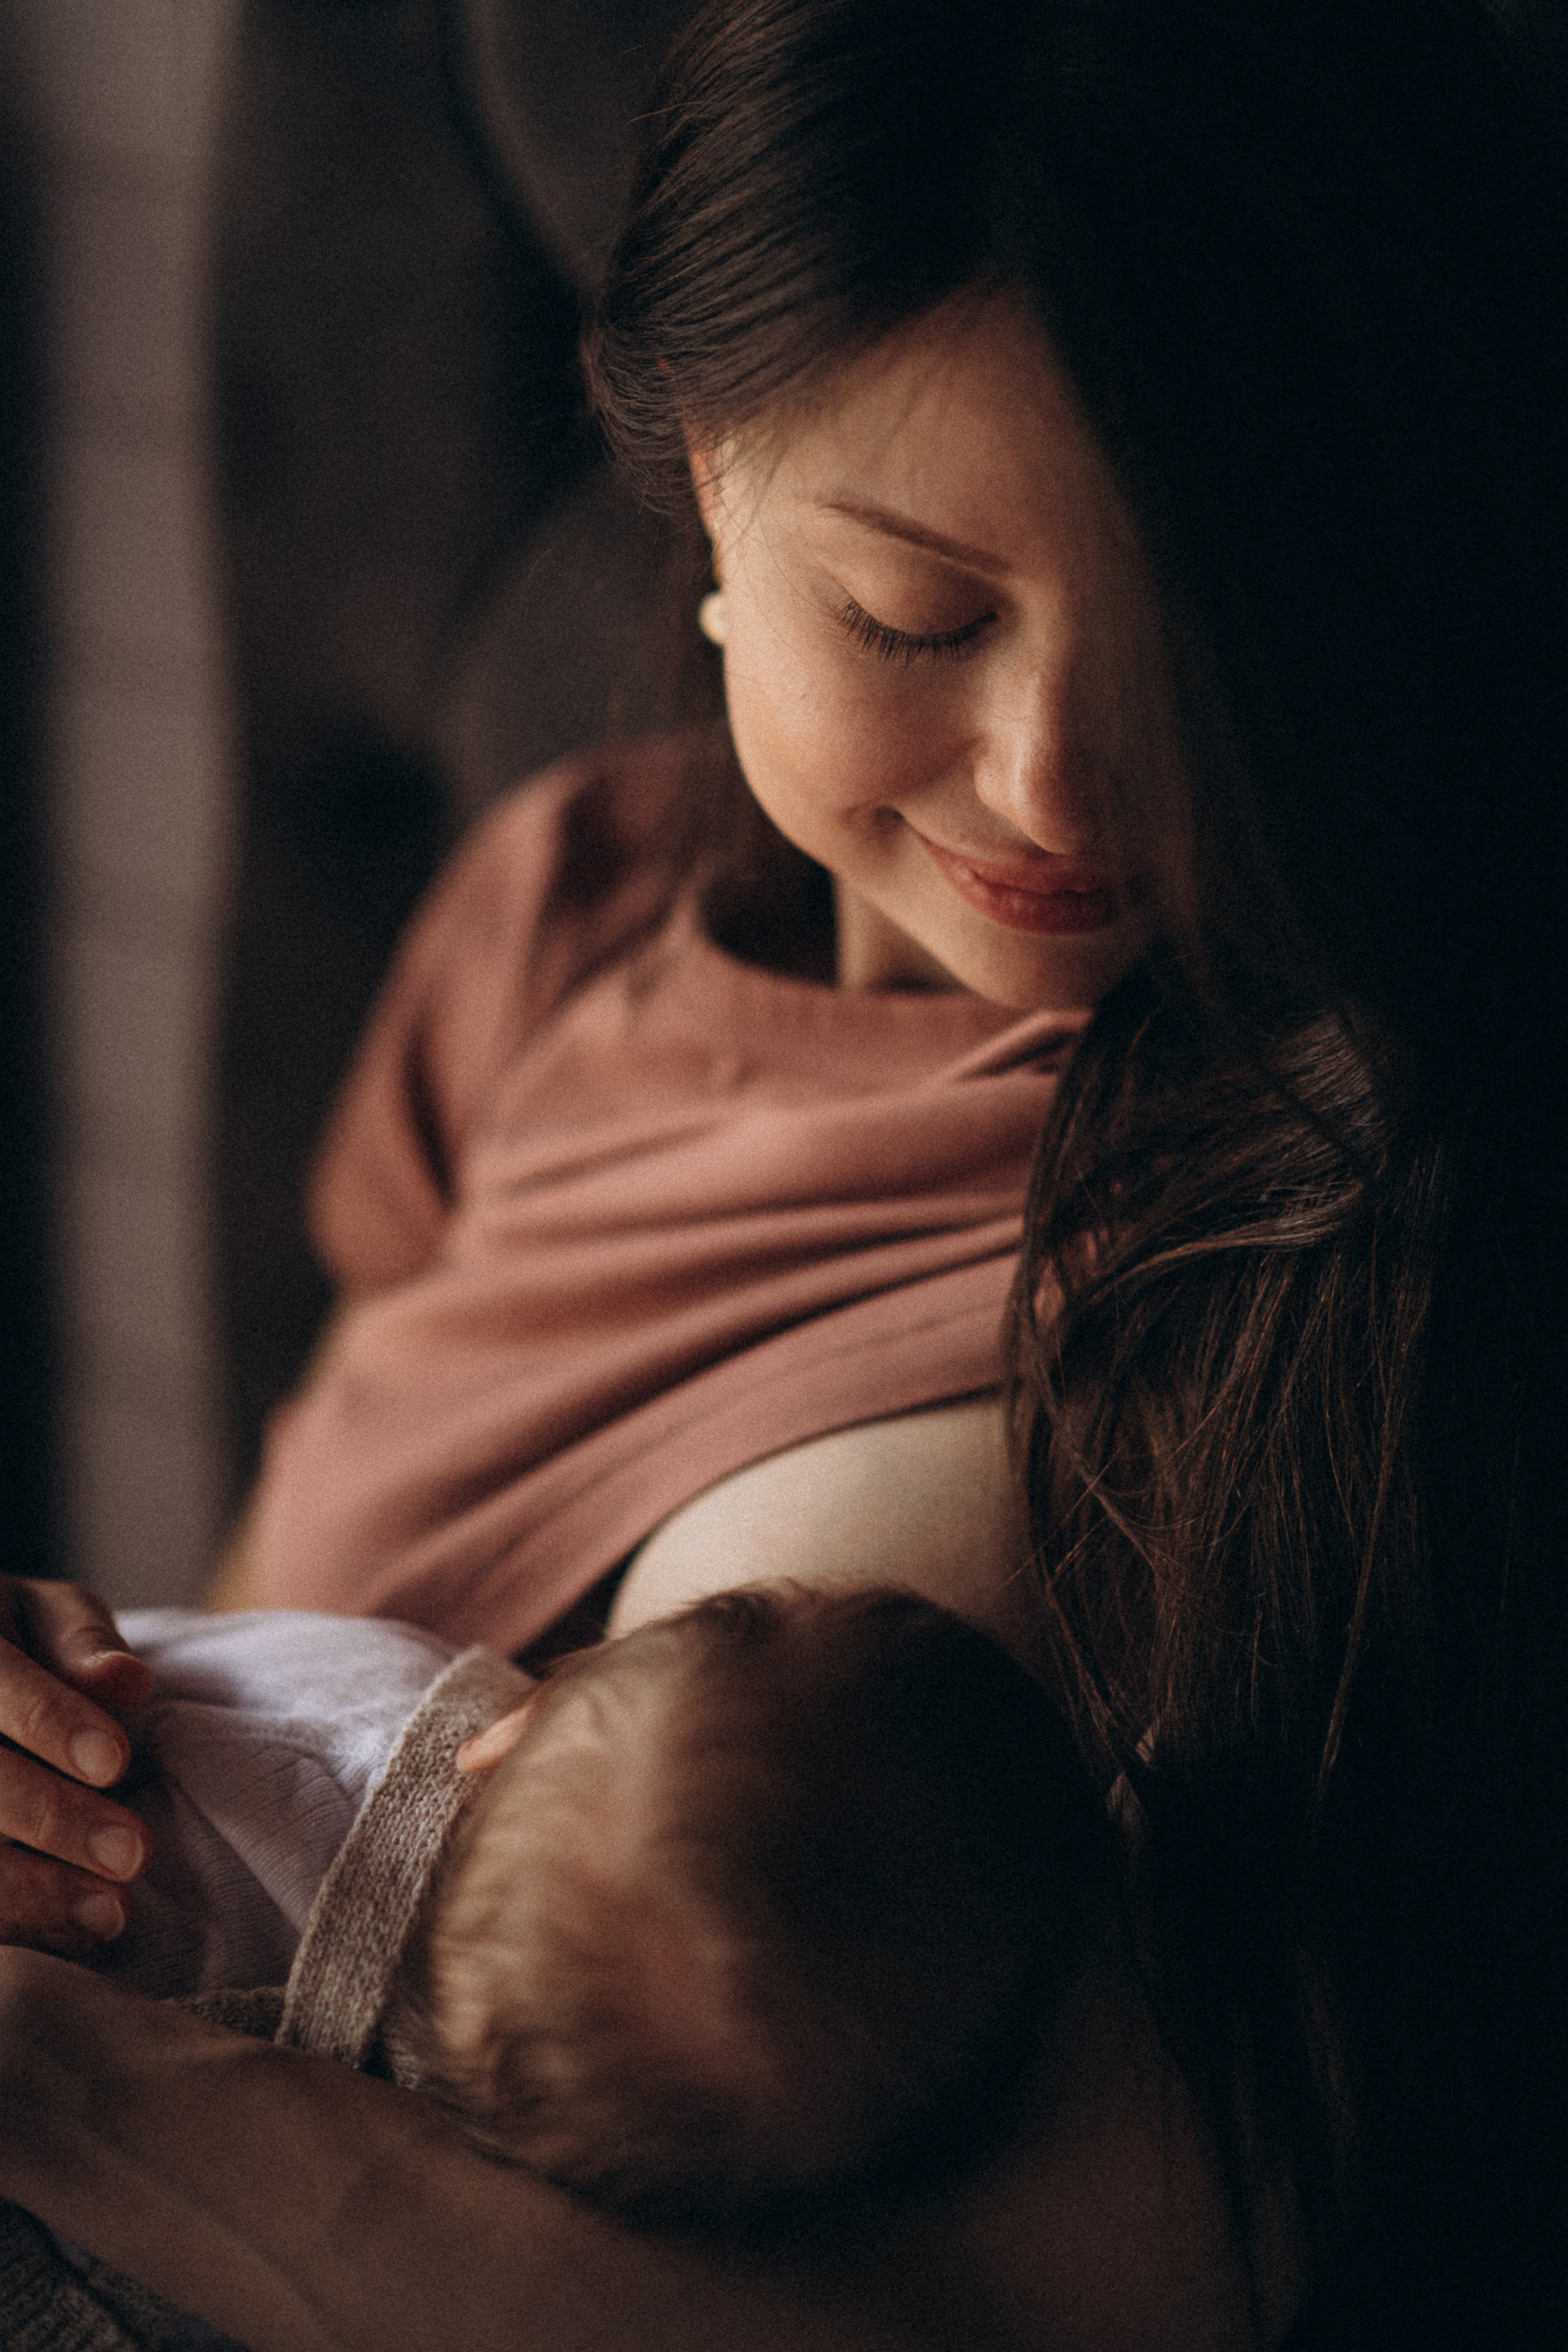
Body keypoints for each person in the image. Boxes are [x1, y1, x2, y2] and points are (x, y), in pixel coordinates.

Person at [0, 2, 1562, 2345]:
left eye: (1194, 652)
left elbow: (1096, 2306)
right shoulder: (557, 920)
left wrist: (78, 2092)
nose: (1051, 790)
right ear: (721, 479)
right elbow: (268, 1608)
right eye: (912, 615)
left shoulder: (1344, 1231)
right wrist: (77, 1748)